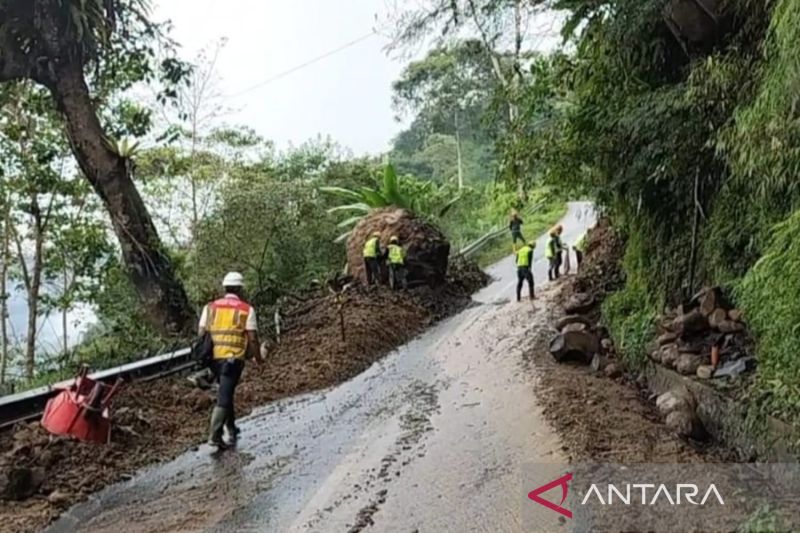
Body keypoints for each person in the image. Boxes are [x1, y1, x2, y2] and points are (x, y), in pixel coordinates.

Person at [199, 272, 262, 448]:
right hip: (232, 359)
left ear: (225, 288)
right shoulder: (246, 309)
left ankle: (231, 427)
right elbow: (253, 338)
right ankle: (215, 434)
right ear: (240, 289)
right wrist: (257, 358)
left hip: (213, 359)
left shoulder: (210, 307)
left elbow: (201, 333)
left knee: (226, 390)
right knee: (225, 395)